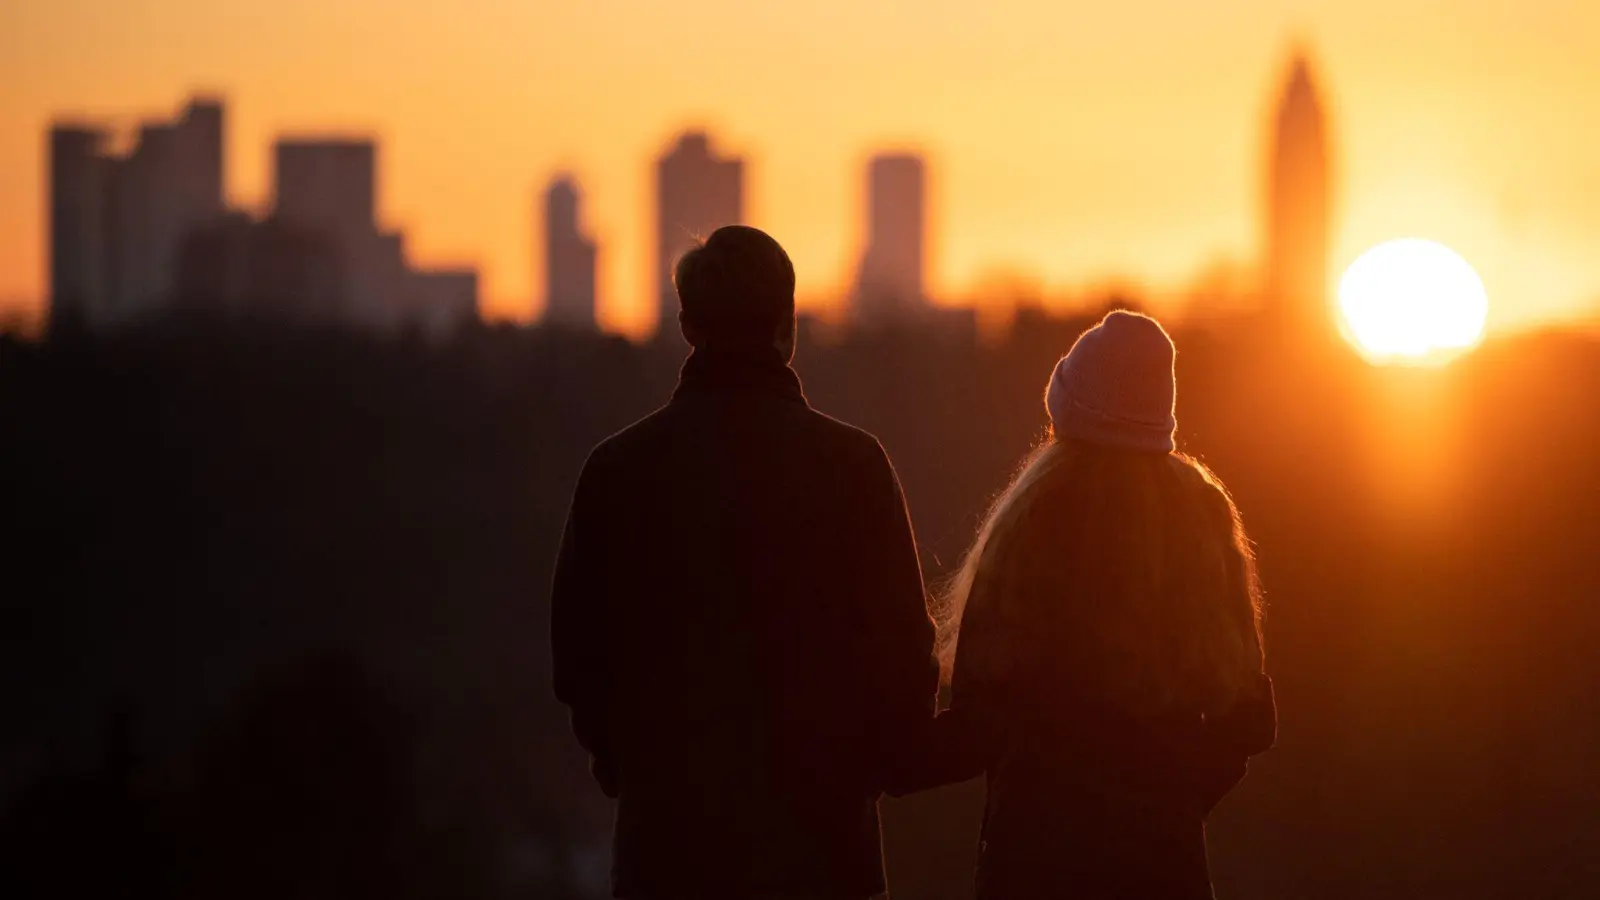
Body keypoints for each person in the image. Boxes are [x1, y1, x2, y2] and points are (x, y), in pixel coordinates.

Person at [550, 225, 939, 899]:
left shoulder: (617, 471)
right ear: (788, 325)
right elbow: (906, 651)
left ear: (686, 325)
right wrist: (883, 759)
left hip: (669, 848)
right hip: (824, 851)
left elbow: (578, 655)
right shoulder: (854, 467)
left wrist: (627, 767)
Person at [939, 310, 1277, 899]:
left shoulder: (1033, 519)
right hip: (1162, 863)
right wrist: (1174, 800)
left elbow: (977, 708)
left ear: (1066, 411)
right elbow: (1244, 717)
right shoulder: (1201, 516)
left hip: (1033, 856)